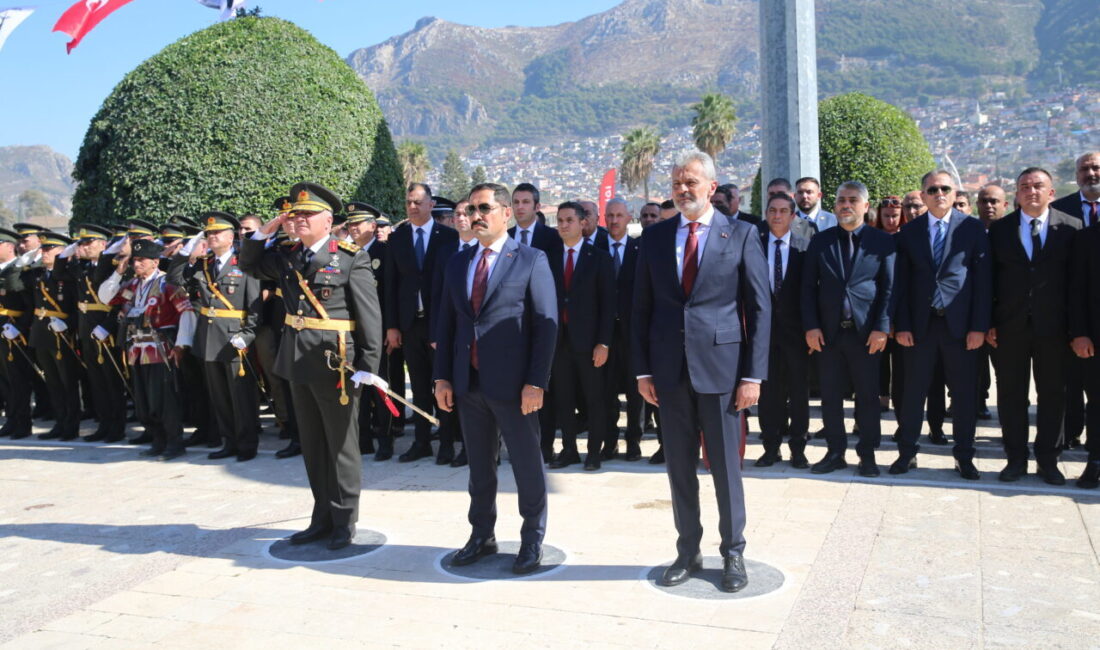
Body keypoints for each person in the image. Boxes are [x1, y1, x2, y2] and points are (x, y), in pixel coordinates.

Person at [632, 150, 770, 594]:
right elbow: (641, 308)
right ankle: (687, 550)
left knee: (726, 468)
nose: (682, 189)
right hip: (669, 373)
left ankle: (733, 552)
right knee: (678, 467)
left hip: (723, 372)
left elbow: (759, 308)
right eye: (676, 182)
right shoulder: (655, 238)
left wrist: (753, 376)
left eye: (690, 182)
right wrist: (643, 371)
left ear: (711, 187)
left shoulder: (742, 234)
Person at [240, 182, 383, 551]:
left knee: (340, 446)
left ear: (328, 220)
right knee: (313, 444)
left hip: (336, 363)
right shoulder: (287, 256)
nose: (299, 218)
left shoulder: (349, 257)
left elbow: (369, 316)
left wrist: (368, 365)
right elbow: (248, 265)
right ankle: (321, 518)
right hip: (297, 360)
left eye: (308, 213)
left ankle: (344, 520)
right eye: (296, 213)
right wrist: (264, 231)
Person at [433, 182, 558, 575]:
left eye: (484, 208)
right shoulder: (459, 263)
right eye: (472, 209)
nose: (476, 216)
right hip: (468, 383)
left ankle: (532, 538)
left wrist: (536, 382)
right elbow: (447, 323)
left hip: (515, 386)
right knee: (480, 468)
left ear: (506, 213)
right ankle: (481, 535)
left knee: (526, 465)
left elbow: (545, 326)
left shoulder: (531, 259)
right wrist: (442, 378)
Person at [890, 170, 991, 480]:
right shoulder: (909, 232)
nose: (939, 194)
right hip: (920, 327)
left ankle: (964, 456)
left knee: (963, 396)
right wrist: (902, 325)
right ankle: (907, 453)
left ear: (954, 192)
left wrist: (979, 327)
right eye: (932, 190)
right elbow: (899, 284)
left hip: (960, 328)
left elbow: (983, 282)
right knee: (913, 394)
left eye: (945, 188)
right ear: (923, 195)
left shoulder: (972, 228)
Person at [987, 168, 1081, 484]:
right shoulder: (1000, 230)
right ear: (1016, 194)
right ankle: (1015, 459)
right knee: (1011, 395)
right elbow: (990, 281)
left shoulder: (1071, 228)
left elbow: (1077, 284)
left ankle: (1048, 460)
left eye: (1038, 186)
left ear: (1051, 192)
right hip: (1009, 327)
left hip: (1055, 328)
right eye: (1025, 186)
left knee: (1053, 395)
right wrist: (989, 322)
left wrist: (1076, 329)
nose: (1031, 191)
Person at [801, 182, 894, 476]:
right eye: (841, 200)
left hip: (865, 334)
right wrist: (811, 326)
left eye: (853, 200)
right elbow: (807, 288)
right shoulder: (821, 241)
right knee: (830, 396)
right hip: (829, 334)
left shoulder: (882, 242)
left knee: (867, 397)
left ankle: (867, 454)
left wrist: (882, 328)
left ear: (865, 206)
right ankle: (835, 452)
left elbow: (889, 288)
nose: (846, 205)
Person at [99, 238, 196, 461]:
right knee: (144, 401)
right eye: (134, 260)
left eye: (142, 260)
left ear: (155, 262)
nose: (136, 264)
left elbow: (186, 312)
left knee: (164, 399)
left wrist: (181, 344)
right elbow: (106, 298)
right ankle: (157, 440)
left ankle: (174, 443)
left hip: (161, 349)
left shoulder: (167, 283)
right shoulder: (132, 285)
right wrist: (118, 272)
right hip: (137, 349)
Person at [177, 212, 263, 462]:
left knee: (241, 396)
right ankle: (229, 442)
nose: (212, 236)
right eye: (209, 233)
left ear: (231, 237)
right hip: (209, 338)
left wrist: (248, 334)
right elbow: (175, 278)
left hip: (235, 337)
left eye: (217, 233)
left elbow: (255, 305)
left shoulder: (244, 263)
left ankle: (247, 444)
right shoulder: (203, 265)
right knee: (220, 396)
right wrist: (187, 250)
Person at [384, 182, 458, 463]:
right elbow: (391, 285)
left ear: (430, 204)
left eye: (417, 202)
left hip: (439, 323)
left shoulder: (448, 237)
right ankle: (422, 441)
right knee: (418, 385)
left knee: (443, 382)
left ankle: (447, 442)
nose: (412, 207)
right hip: (409, 324)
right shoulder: (398, 238)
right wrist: (392, 326)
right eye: (408, 202)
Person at [546, 201, 614, 470]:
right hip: (558, 342)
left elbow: (608, 305)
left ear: (582, 223)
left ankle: (594, 451)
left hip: (589, 343)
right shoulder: (549, 257)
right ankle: (569, 450)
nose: (563, 225)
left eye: (569, 220)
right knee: (563, 398)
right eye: (560, 221)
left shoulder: (599, 257)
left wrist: (603, 342)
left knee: (594, 399)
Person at [54, 224, 127, 443]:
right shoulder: (82, 267)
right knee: (96, 381)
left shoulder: (113, 266)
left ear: (103, 244)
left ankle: (117, 427)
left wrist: (108, 325)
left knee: (112, 381)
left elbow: (119, 302)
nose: (84, 247)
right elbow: (58, 272)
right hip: (86, 328)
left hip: (106, 329)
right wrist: (67, 251)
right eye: (82, 243)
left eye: (89, 243)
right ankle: (104, 424)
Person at [755, 193, 810, 469]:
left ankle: (798, 449)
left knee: (799, 394)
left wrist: (812, 329)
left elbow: (811, 292)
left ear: (793, 216)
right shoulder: (755, 245)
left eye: (783, 211)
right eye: (772, 211)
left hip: (797, 335)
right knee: (768, 395)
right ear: (766, 214)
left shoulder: (805, 247)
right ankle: (770, 448)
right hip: (763, 335)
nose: (777, 216)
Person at [508, 183, 562, 461]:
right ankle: (518, 447)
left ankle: (545, 445)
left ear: (537, 206)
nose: (520, 207)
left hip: (541, 321)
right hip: (513, 326)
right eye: (516, 202)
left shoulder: (551, 238)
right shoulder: (505, 238)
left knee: (542, 386)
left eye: (525, 202)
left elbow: (556, 282)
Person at [1052, 153, 1100, 449]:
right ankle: (1070, 433)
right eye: (1084, 169)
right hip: (1069, 310)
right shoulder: (1059, 209)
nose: (1091, 173)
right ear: (1076, 175)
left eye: (1096, 168)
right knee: (1070, 380)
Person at [345, 201, 397, 461]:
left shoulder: (384, 252)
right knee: (356, 385)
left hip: (378, 331)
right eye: (350, 224)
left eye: (359, 223)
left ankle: (385, 439)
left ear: (373, 225)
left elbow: (390, 294)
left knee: (380, 384)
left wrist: (390, 328)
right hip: (351, 331)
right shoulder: (344, 254)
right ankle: (363, 438)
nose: (353, 228)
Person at [23, 232, 81, 441]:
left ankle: (71, 425)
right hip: (42, 333)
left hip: (61, 335)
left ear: (62, 251)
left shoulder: (69, 276)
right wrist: (28, 258)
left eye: (49, 249)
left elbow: (80, 307)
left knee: (67, 382)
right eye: (43, 249)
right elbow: (19, 279)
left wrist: (68, 324)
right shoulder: (37, 275)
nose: (44, 253)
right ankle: (60, 422)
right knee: (52, 382)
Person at [603, 197, 644, 461]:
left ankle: (633, 441)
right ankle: (610, 441)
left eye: (619, 215)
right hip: (604, 335)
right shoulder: (595, 251)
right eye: (610, 216)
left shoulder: (640, 251)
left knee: (635, 391)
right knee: (606, 391)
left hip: (633, 333)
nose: (614, 220)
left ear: (629, 218)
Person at [1069, 214, 1100, 487]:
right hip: (1094, 338)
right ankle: (1096, 461)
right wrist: (1079, 333)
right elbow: (1076, 290)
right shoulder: (1087, 238)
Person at [873, 196, 906, 415]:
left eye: (895, 216)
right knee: (880, 360)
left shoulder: (907, 239)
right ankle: (882, 396)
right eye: (886, 216)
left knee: (902, 364)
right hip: (878, 308)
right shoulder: (872, 238)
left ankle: (900, 404)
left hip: (902, 309)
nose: (891, 220)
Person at [0, 227, 35, 440]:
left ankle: (23, 422)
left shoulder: (19, 270)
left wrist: (20, 327)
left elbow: (30, 304)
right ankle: (11, 419)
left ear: (9, 246)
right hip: (2, 329)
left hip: (14, 331)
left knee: (18, 379)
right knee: (4, 379)